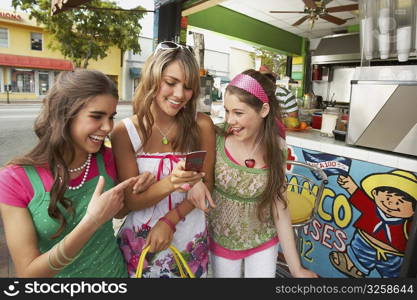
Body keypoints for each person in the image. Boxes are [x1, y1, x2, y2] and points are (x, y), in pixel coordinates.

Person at [0, 69, 155, 277]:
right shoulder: (14, 179)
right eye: (96, 116)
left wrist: (135, 190)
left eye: (111, 117)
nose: (108, 127)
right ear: (65, 114)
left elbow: (118, 211)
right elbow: (29, 273)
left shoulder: (106, 158)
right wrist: (91, 222)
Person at [111, 41, 216, 278]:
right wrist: (173, 181)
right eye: (170, 83)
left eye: (188, 87)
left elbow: (207, 185)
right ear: (152, 78)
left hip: (189, 235)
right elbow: (131, 201)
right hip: (143, 242)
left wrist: (169, 220)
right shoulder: (124, 132)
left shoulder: (202, 125)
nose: (179, 95)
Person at [208, 69, 317, 278]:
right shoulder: (216, 137)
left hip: (263, 239)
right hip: (222, 241)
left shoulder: (277, 147)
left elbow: (279, 207)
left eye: (239, 113)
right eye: (227, 111)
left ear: (264, 110)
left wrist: (296, 269)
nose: (230, 120)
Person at [332, 170, 417, 278]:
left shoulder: (408, 224)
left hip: (392, 256)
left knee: (393, 273)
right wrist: (348, 184)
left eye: (399, 202)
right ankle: (353, 265)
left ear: (413, 211)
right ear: (375, 193)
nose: (391, 204)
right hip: (364, 244)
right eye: (388, 197)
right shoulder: (371, 207)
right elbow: (358, 196)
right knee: (357, 253)